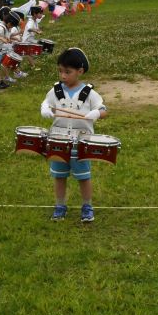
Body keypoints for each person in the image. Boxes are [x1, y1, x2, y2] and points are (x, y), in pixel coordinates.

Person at [40, 47, 107, 223]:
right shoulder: (55, 91)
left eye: (67, 72)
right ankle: (60, 205)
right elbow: (47, 102)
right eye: (60, 71)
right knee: (59, 176)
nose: (63, 76)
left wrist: (97, 113)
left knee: (83, 177)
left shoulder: (89, 93)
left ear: (80, 71)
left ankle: (87, 206)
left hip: (81, 142)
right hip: (58, 140)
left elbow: (103, 109)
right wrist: (44, 107)